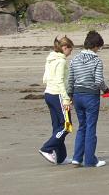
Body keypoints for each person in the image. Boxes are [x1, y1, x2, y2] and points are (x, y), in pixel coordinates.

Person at [68, 31, 109, 168]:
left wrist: (70, 95)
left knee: (82, 127)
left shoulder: (74, 59)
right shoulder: (97, 60)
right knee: (91, 128)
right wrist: (106, 89)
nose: (99, 50)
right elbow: (98, 81)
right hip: (91, 96)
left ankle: (76, 158)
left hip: (77, 96)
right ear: (96, 46)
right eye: (99, 48)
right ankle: (90, 160)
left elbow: (70, 79)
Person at [38, 36, 74, 165]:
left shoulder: (51, 59)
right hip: (57, 95)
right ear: (65, 48)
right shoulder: (61, 61)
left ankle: (61, 157)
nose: (71, 53)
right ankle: (46, 148)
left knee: (57, 127)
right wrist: (66, 98)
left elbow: (45, 77)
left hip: (49, 94)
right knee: (66, 127)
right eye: (70, 50)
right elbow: (59, 81)